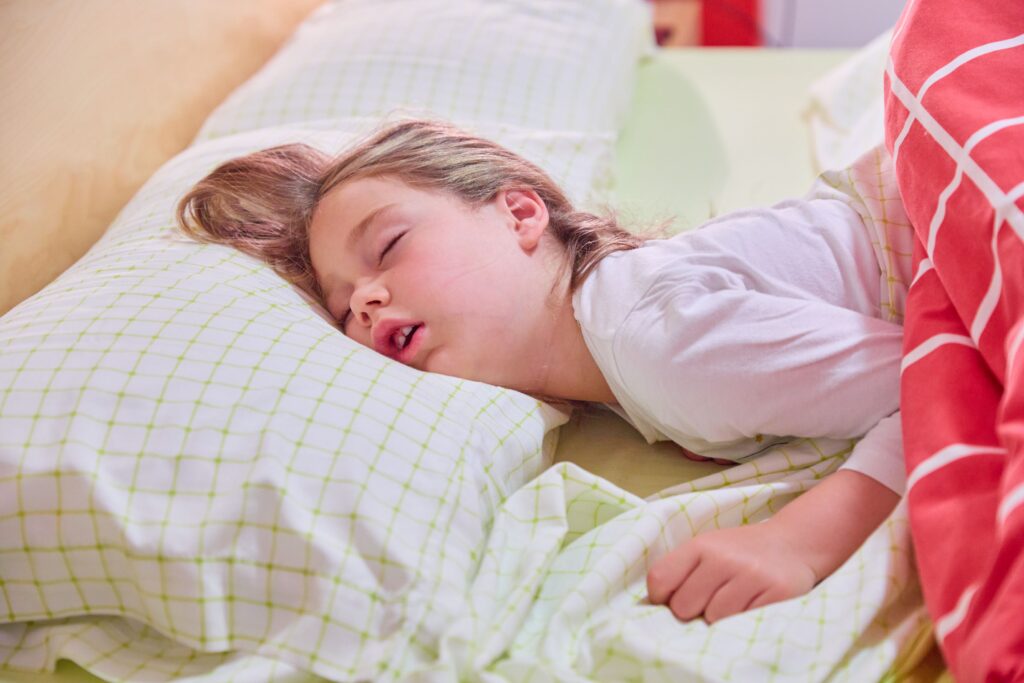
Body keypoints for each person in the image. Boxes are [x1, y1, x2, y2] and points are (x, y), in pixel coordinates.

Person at [177, 118, 906, 625]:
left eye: (390, 244)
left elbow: (944, 379)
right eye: (341, 311)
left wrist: (803, 538)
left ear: (520, 213)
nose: (366, 302)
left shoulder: (657, 342)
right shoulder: (620, 359)